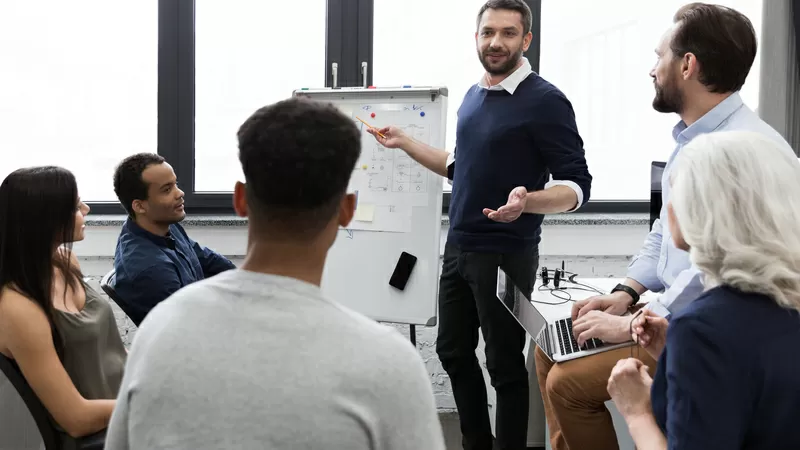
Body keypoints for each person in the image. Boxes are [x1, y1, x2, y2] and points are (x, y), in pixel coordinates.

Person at [104, 98, 446, 450]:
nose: (178, 194)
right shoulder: (391, 364)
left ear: (240, 200)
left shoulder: (157, 334)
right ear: (346, 211)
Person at [534, 4, 796, 449]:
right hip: (676, 315)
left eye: (660, 57)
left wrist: (636, 322)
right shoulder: (691, 139)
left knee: (568, 383)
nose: (652, 69)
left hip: (707, 320)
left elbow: (720, 262)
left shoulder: (745, 148)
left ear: (688, 65)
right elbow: (663, 231)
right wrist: (626, 292)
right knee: (546, 349)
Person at [367, 1, 592, 448]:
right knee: (452, 350)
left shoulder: (546, 101)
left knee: (506, 365)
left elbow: (577, 188)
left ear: (526, 41)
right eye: (488, 32)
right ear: (476, 37)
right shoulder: (474, 96)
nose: (496, 42)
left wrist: (528, 202)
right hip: (460, 250)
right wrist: (405, 142)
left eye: (509, 33)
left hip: (508, 256)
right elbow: (459, 166)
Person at [608, 130, 800, 449]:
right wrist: (675, 354)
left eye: (677, 198)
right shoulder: (783, 303)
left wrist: (636, 412)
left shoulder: (701, 329)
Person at [0, 167, 127, 447]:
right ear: (46, 220)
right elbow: (75, 418)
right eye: (75, 205)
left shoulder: (65, 261)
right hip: (102, 434)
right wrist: (148, 401)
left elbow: (105, 349)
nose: (86, 208)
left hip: (126, 406)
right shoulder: (16, 307)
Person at [112, 153, 236, 325]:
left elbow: (207, 259)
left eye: (175, 184)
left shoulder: (163, 225)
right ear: (139, 206)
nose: (180, 193)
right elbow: (191, 327)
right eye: (167, 189)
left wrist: (246, 283)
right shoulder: (151, 269)